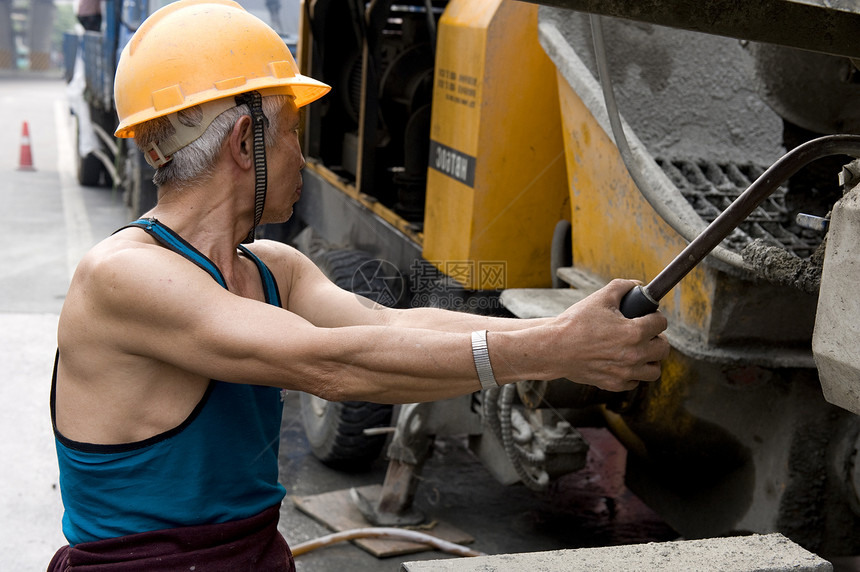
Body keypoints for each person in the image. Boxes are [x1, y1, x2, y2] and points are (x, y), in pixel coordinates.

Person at [47, 0, 670, 569]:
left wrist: (563, 333)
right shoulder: (122, 276)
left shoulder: (272, 266)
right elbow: (331, 365)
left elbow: (389, 326)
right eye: (292, 131)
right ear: (245, 143)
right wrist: (554, 350)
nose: (302, 153)